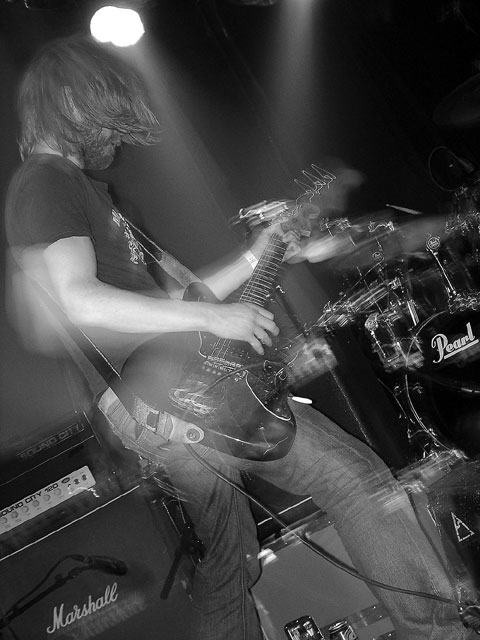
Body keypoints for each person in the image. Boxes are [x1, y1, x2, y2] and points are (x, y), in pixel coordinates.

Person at [4, 35, 477, 640]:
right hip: (164, 396)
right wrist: (213, 321)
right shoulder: (47, 181)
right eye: (109, 116)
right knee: (351, 480)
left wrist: (260, 253)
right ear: (74, 103)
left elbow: (181, 299)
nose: (117, 138)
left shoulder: (83, 191)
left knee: (232, 558)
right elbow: (79, 300)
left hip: (170, 391)